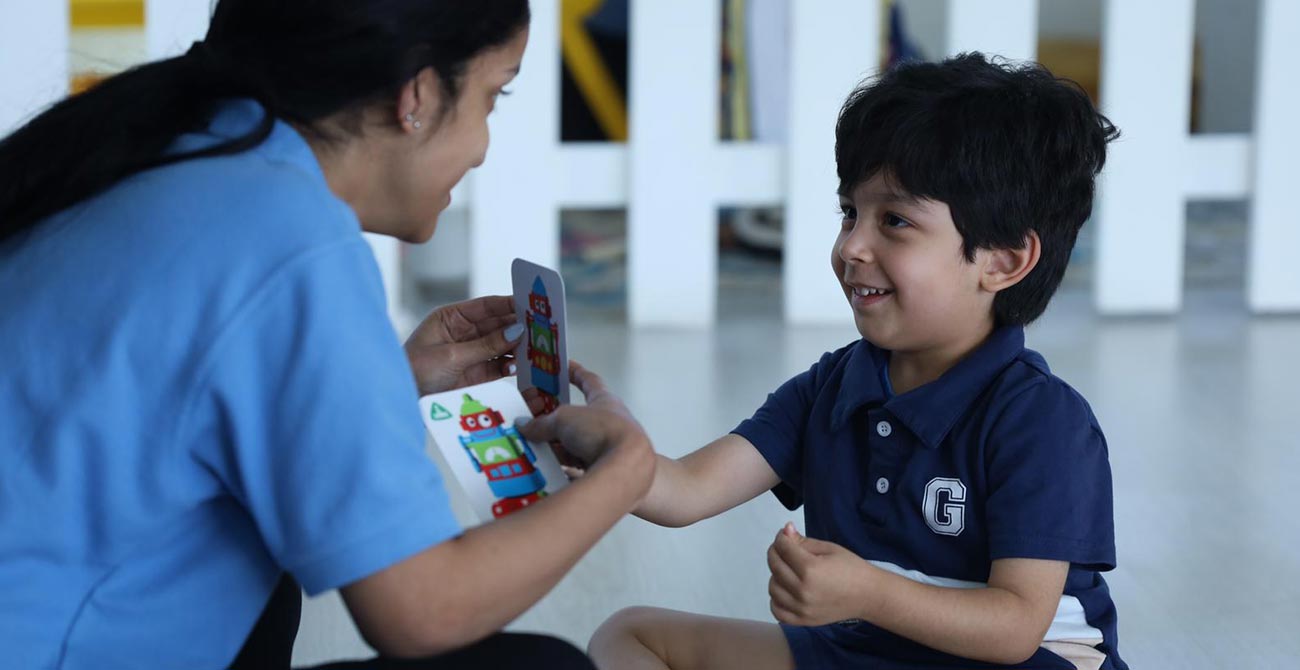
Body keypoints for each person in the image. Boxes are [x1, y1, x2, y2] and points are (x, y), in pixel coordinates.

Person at [0, 1, 655, 668]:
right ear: (419, 94)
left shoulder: (175, 148)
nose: (484, 146)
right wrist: (627, 473)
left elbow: (152, 411)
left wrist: (381, 379)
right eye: (493, 95)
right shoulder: (290, 236)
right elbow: (425, 609)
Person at [577, 54, 1128, 669]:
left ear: (1001, 261)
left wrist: (869, 593)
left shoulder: (1041, 420)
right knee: (633, 634)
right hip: (869, 650)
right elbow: (686, 491)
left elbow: (1015, 627)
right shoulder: (834, 386)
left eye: (894, 221)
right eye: (849, 212)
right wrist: (606, 455)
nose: (850, 247)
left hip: (1023, 662)